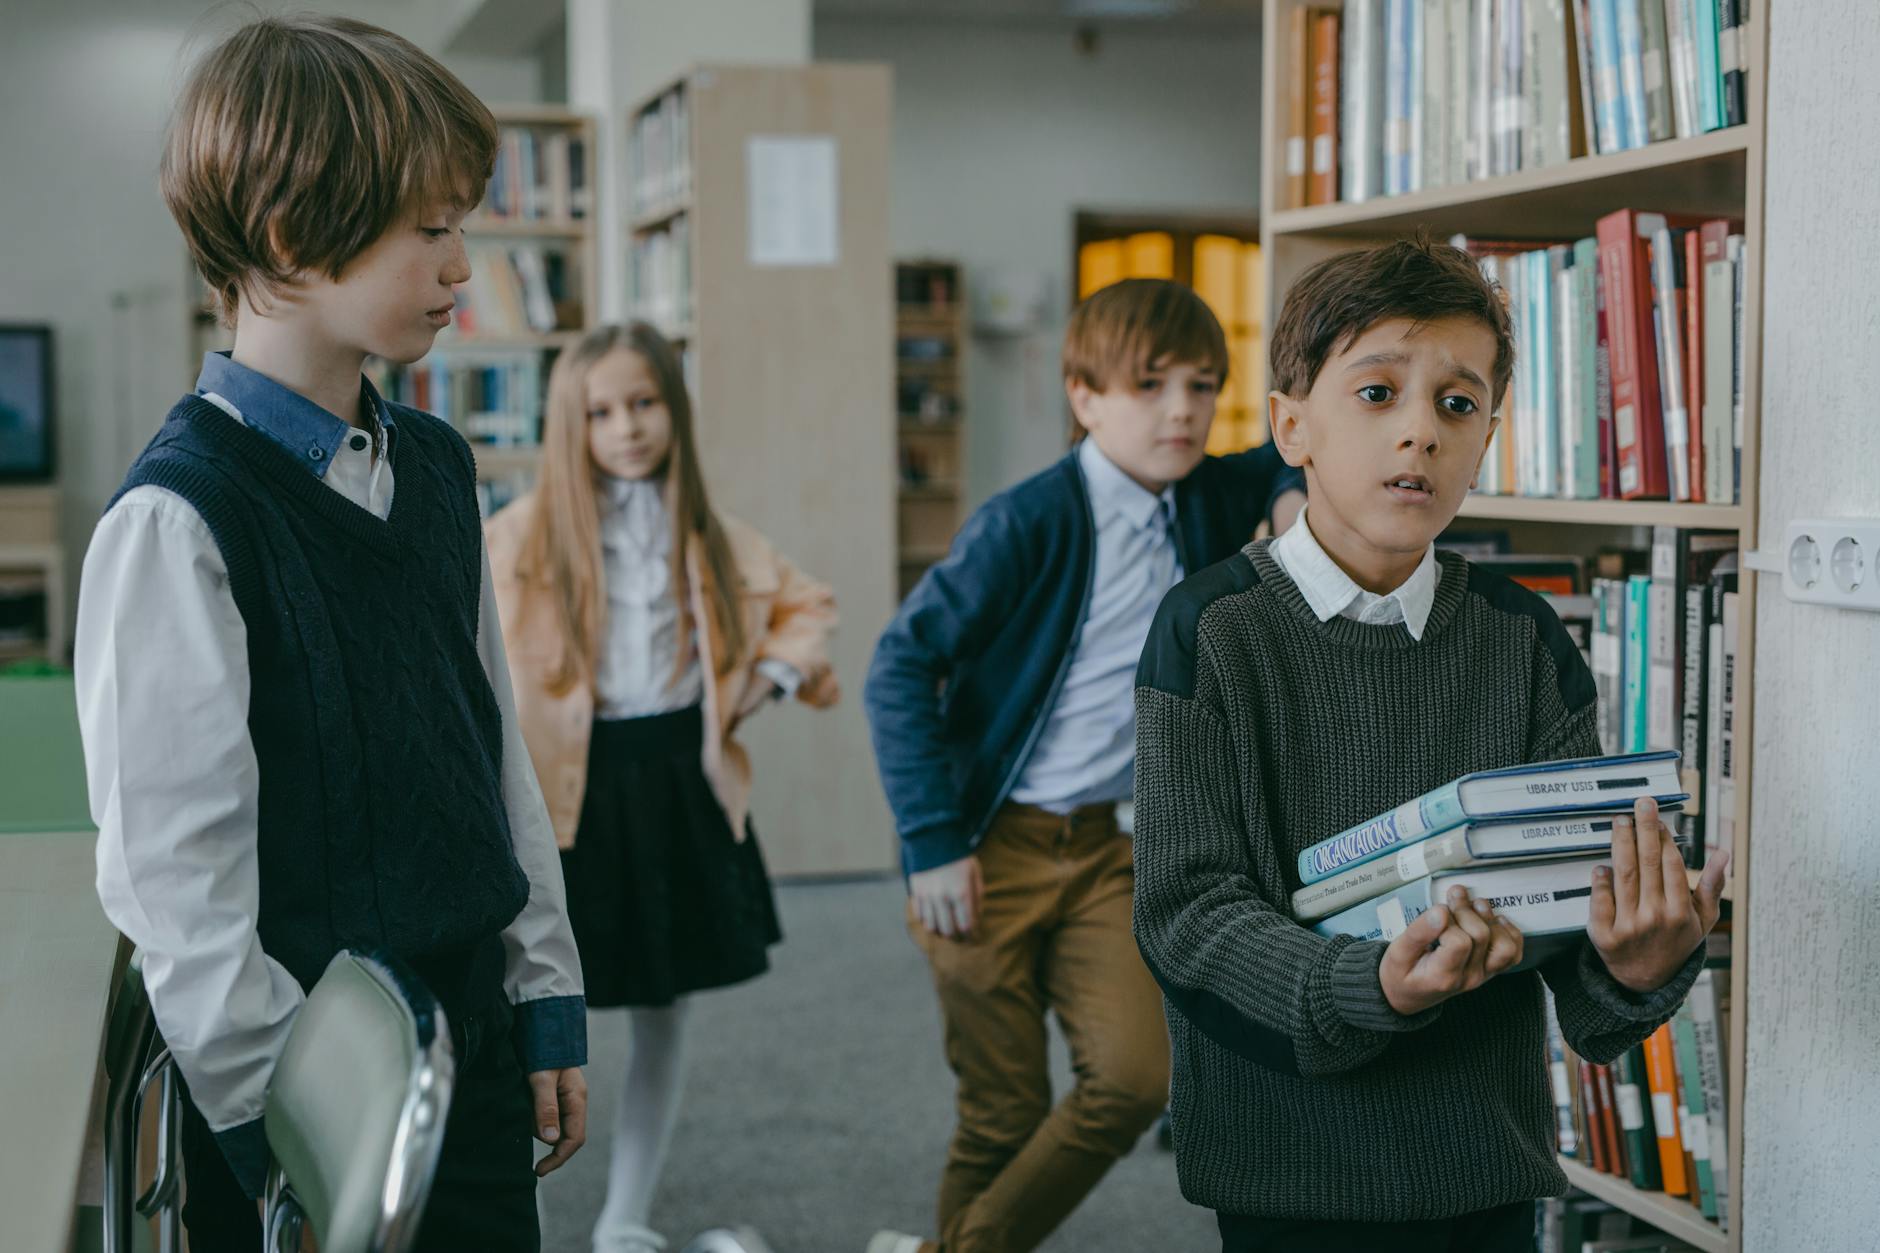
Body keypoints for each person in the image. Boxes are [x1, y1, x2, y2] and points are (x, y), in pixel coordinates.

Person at [75, 15, 588, 1251]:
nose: (465, 264)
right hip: (309, 1108)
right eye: (432, 229)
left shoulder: (436, 466)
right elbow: (178, 889)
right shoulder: (178, 519)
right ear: (297, 237)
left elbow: (486, 750)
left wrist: (545, 985)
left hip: (459, 1045)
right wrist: (293, 1141)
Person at [1130, 237, 1728, 1253]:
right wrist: (1369, 983)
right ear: (1289, 425)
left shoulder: (1522, 638)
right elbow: (1188, 912)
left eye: (1455, 405)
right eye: (1374, 393)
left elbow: (1572, 952)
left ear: (1486, 438)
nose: (1417, 432)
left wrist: (1632, 964)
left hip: (1482, 1161)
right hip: (1290, 1168)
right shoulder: (1209, 630)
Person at [863, 279, 1306, 1253]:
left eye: (1200, 384)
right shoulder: (1026, 521)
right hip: (987, 846)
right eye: (1149, 385)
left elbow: (1293, 441)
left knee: (1136, 1080)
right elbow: (898, 664)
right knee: (1002, 1107)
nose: (1182, 409)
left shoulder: (1198, 494)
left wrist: (1283, 495)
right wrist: (932, 839)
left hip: (1108, 848)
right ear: (1083, 395)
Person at [485, 323, 838, 1253]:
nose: (628, 427)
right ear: (572, 425)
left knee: (662, 1009)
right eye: (601, 412)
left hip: (676, 778)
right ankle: (512, 1208)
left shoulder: (705, 530)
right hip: (573, 791)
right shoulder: (518, 535)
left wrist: (761, 682)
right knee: (531, 1000)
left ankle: (624, 1215)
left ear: (673, 411)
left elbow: (810, 606)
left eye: (644, 403)